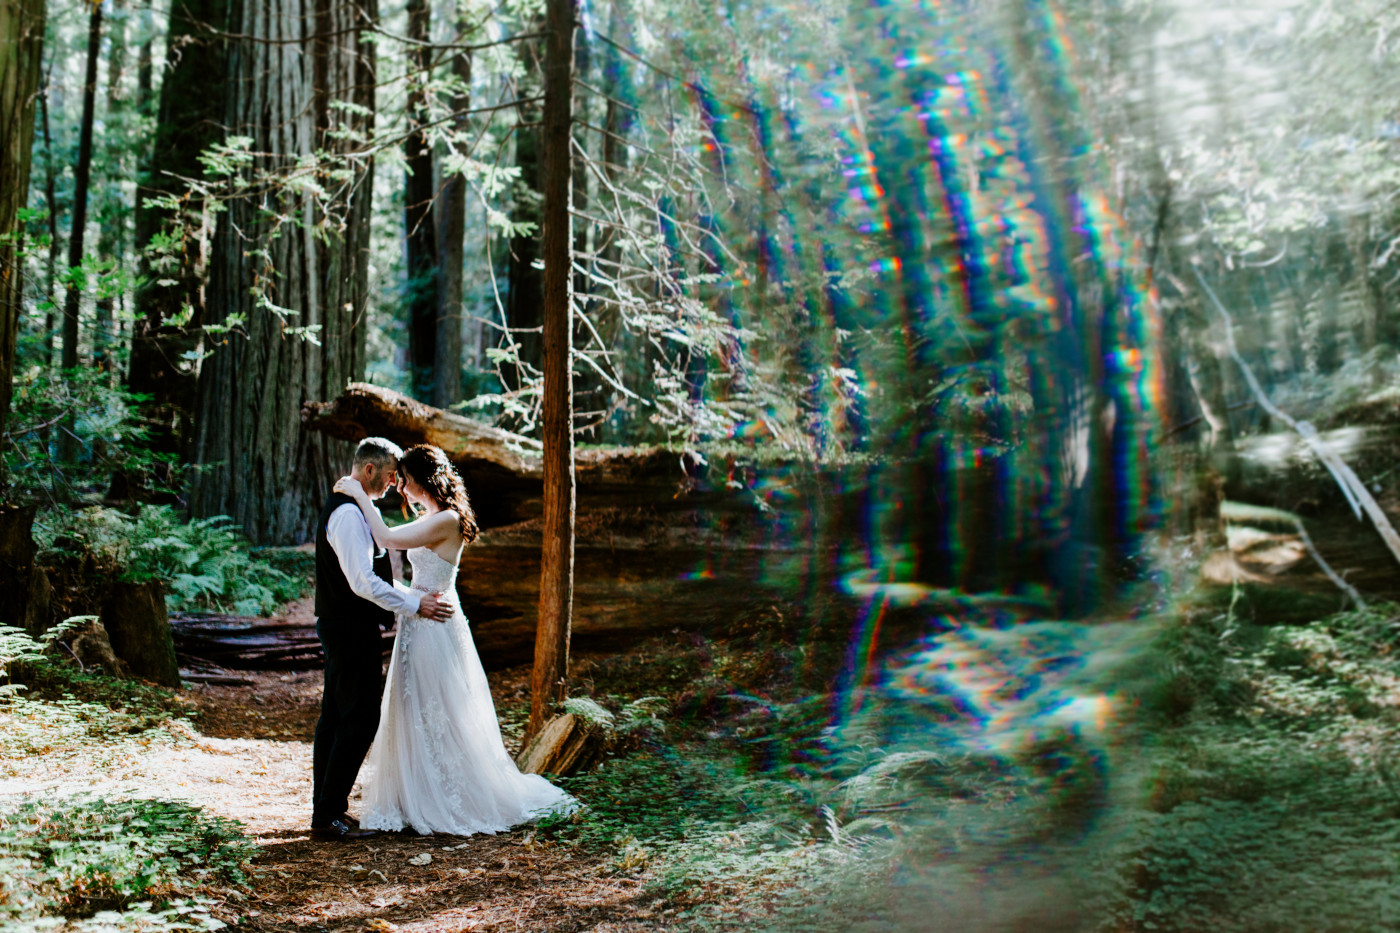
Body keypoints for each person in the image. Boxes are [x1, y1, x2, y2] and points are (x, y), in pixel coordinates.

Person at [334, 444, 576, 835]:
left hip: (435, 625)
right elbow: (400, 559)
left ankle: (445, 796)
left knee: (439, 708)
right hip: (419, 617)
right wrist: (403, 596)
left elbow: (386, 538)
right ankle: (415, 794)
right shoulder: (434, 516)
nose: (399, 488)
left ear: (422, 480)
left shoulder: (446, 519)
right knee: (414, 709)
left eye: (404, 480)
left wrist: (358, 493)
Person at [311, 437, 454, 842]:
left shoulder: (358, 510)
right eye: (392, 475)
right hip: (348, 625)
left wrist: (409, 598)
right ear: (369, 470)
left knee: (337, 718)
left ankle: (328, 811)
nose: (395, 484)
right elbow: (362, 582)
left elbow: (374, 574)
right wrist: (414, 604)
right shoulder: (347, 515)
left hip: (348, 624)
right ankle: (327, 815)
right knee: (357, 719)